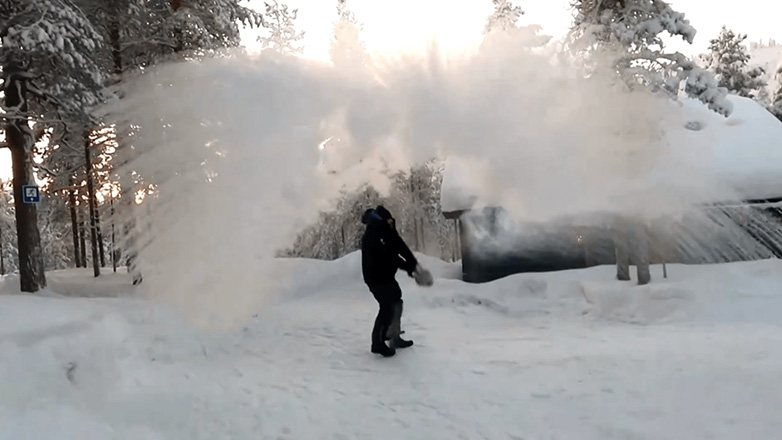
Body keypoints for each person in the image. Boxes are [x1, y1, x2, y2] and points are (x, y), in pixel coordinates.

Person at [360, 205, 430, 357]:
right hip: (375, 278)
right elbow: (391, 257)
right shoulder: (374, 234)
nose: (392, 223)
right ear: (383, 220)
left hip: (386, 276)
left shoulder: (386, 230)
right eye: (390, 221)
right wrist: (409, 269)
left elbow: (400, 246)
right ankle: (377, 343)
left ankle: (394, 336)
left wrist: (414, 264)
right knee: (387, 307)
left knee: (397, 301)